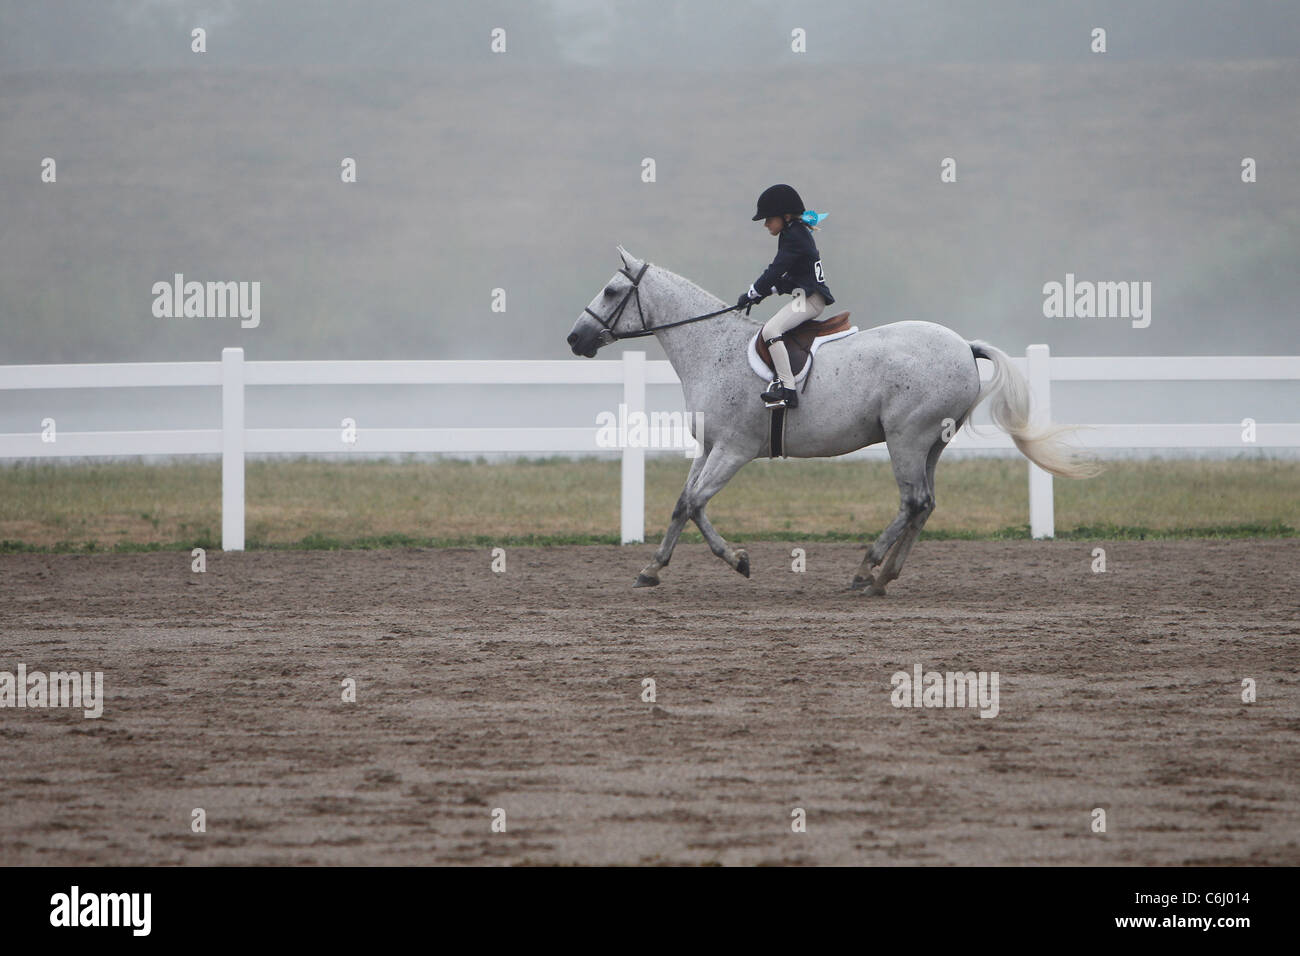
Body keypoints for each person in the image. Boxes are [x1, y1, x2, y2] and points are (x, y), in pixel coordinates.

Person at [737, 184, 835, 409]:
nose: (766, 224)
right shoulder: (794, 233)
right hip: (804, 295)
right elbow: (790, 276)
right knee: (773, 328)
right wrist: (762, 294)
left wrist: (753, 291)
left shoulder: (793, 236)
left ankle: (787, 388)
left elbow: (775, 270)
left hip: (809, 299)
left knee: (771, 331)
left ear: (786, 215)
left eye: (769, 219)